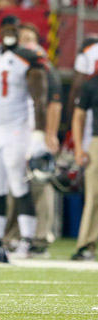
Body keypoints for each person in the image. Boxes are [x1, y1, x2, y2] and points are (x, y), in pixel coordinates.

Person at [0, 15, 49, 262]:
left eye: (14, 29)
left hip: (18, 128)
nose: (9, 33)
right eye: (6, 29)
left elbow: (40, 99)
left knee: (19, 184)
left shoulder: (29, 57)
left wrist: (38, 135)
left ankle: (27, 241)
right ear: (0, 30)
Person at [3, 23, 61, 256]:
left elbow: (54, 103)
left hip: (36, 135)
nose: (26, 43)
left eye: (30, 38)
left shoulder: (44, 67)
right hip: (16, 134)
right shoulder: (12, 67)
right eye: (22, 39)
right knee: (14, 188)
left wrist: (49, 134)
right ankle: (11, 239)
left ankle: (40, 239)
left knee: (40, 185)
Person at [71, 71, 98, 262]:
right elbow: (78, 116)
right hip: (97, 142)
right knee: (94, 196)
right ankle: (86, 245)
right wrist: (79, 148)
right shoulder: (92, 84)